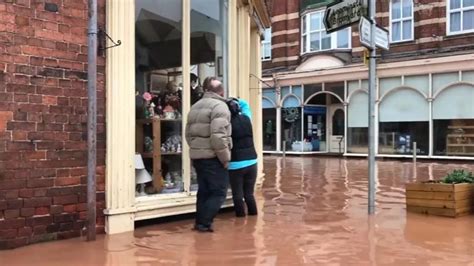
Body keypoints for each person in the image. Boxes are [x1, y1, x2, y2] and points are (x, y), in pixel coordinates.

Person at [185, 77, 232, 232]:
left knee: (204, 191)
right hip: (213, 157)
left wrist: (196, 150)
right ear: (221, 91)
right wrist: (225, 158)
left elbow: (187, 134)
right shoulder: (220, 106)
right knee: (219, 192)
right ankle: (204, 224)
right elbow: (219, 135)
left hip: (198, 157)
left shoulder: (195, 106)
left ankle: (199, 222)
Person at [227, 98, 258, 217]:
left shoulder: (227, 124)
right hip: (252, 162)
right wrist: (237, 99)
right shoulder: (247, 118)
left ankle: (240, 220)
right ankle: (253, 218)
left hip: (235, 164)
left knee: (237, 195)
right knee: (249, 194)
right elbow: (246, 105)